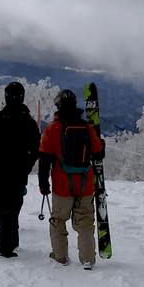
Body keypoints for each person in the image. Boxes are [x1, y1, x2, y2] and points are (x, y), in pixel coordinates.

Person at [38, 89, 104, 269]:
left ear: (58, 106)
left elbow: (44, 159)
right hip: (85, 183)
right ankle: (88, 258)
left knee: (58, 220)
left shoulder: (52, 129)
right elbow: (98, 153)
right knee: (84, 222)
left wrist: (43, 184)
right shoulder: (87, 127)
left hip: (62, 185)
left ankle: (60, 257)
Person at [0, 82, 41, 258]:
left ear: (5, 97)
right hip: (18, 173)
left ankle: (10, 243)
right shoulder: (29, 122)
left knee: (5, 209)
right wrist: (27, 166)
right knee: (12, 209)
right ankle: (7, 247)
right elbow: (36, 150)